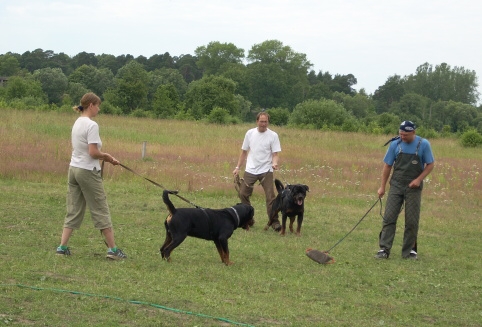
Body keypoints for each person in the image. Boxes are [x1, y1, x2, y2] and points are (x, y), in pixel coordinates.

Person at [56, 92, 127, 260]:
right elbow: (93, 152)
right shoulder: (92, 125)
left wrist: (104, 157)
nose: (99, 109)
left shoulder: (77, 122)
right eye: (98, 106)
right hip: (87, 171)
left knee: (73, 208)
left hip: (73, 169)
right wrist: (108, 157)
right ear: (91, 106)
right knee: (100, 208)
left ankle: (62, 247)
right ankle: (113, 250)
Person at [375, 120, 434, 260]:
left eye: (405, 135)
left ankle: (409, 251)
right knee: (389, 217)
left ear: (413, 132)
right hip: (396, 185)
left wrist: (419, 180)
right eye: (400, 134)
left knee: (412, 220)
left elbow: (430, 164)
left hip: (414, 187)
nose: (402, 136)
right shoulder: (395, 144)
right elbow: (387, 166)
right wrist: (382, 187)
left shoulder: (423, 144)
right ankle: (384, 249)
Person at [233, 112, 282, 231]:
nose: (263, 124)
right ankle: (249, 218)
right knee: (243, 193)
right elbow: (244, 152)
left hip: (266, 170)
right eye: (261, 121)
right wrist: (238, 167)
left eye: (265, 122)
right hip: (251, 169)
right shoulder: (250, 133)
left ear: (268, 122)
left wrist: (274, 163)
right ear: (257, 121)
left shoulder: (273, 135)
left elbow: (275, 154)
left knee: (271, 197)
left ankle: (274, 222)